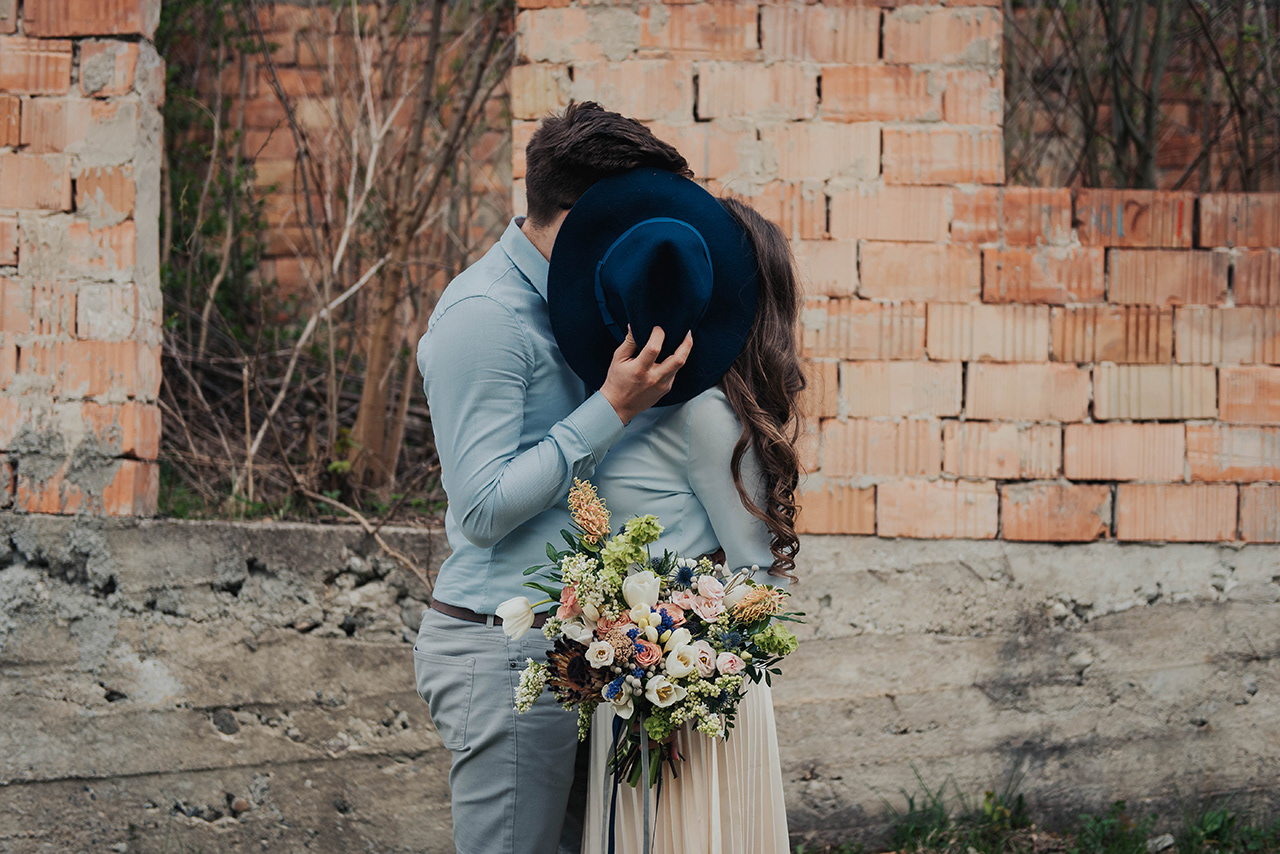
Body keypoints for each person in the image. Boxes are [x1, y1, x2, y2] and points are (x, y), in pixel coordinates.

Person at [412, 103, 697, 854]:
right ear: (583, 216)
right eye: (632, 216)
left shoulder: (579, 302)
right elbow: (480, 509)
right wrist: (611, 408)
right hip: (500, 651)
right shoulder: (487, 316)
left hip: (578, 652)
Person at [543, 168, 804, 853]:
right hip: (631, 683)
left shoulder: (707, 415)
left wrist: (684, 665)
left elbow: (756, 574)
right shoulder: (629, 401)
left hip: (689, 700)